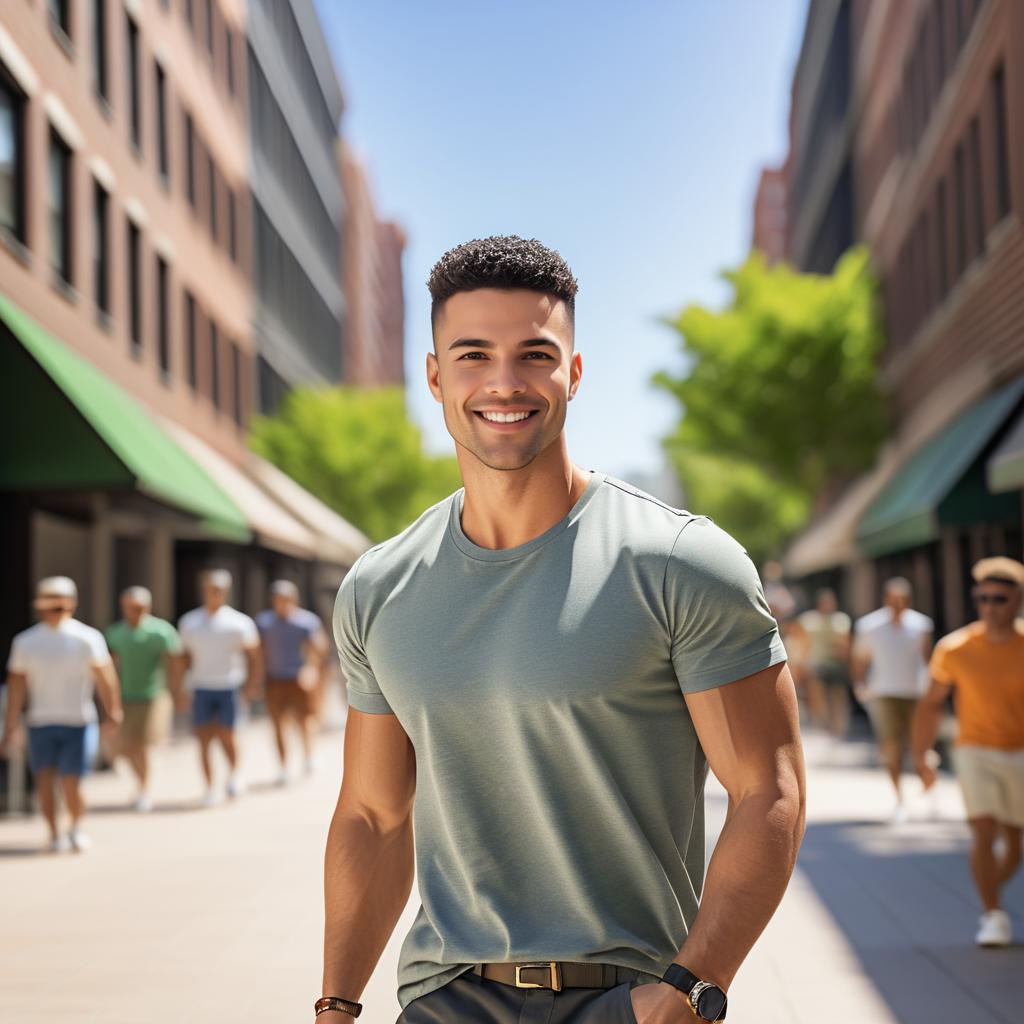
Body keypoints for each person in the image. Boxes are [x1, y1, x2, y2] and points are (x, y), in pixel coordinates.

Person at [319, 237, 806, 1024]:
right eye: (473, 355)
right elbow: (373, 815)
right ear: (436, 375)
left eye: (535, 354)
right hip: (444, 1000)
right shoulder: (380, 586)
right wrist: (336, 1004)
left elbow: (768, 789)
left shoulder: (681, 562)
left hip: (631, 997)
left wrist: (691, 989)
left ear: (573, 373)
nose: (504, 382)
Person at [913, 557, 1024, 947]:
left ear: (1017, 602)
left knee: (1015, 841)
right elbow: (930, 704)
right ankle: (992, 913)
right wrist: (922, 755)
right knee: (983, 830)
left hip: (1020, 751)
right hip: (975, 749)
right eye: (983, 599)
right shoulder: (955, 648)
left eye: (1000, 599)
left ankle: (990, 887)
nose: (990, 607)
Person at [1, 577, 123, 851]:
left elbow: (106, 678)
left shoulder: (88, 638)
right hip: (41, 723)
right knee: (45, 782)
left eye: (60, 602)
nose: (55, 609)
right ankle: (54, 833)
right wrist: (11, 724)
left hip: (79, 722)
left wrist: (113, 711)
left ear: (72, 603)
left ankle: (76, 828)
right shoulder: (26, 641)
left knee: (72, 782)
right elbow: (17, 685)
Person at [852, 577, 933, 823]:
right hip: (883, 693)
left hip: (916, 694)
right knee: (891, 747)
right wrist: (860, 685)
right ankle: (900, 798)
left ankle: (927, 779)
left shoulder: (921, 625)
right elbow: (860, 659)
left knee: (919, 746)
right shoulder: (869, 626)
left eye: (902, 600)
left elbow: (928, 660)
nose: (898, 604)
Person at [177, 569, 261, 806]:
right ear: (203, 590)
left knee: (228, 735)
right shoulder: (190, 622)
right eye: (210, 589)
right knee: (203, 739)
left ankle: (234, 775)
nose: (214, 594)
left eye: (219, 590)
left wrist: (252, 685)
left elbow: (254, 655)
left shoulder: (240, 623)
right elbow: (183, 659)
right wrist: (179, 690)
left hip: (229, 686)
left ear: (225, 592)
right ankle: (209, 787)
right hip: (201, 686)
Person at [104, 586, 183, 812]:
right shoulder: (115, 633)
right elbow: (111, 666)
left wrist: (176, 692)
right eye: (130, 608)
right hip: (125, 696)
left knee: (143, 746)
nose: (134, 612)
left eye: (138, 608)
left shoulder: (161, 632)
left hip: (153, 696)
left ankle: (144, 789)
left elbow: (174, 663)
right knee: (125, 746)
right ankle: (141, 783)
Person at [255, 580, 329, 785]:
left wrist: (311, 668)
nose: (283, 604)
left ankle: (308, 756)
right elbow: (259, 652)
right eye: (279, 600)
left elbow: (319, 647)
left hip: (299, 680)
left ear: (294, 600)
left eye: (286, 600)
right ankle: (283, 766)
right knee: (278, 725)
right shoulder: (264, 622)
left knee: (305, 721)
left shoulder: (307, 622)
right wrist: (257, 680)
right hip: (275, 680)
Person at [794, 588, 852, 738]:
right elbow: (802, 643)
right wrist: (800, 664)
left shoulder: (841, 620)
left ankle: (837, 726)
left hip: (835, 664)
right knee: (816, 693)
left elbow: (846, 645)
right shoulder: (809, 621)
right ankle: (822, 722)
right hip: (816, 663)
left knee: (837, 695)